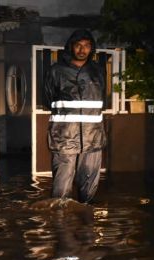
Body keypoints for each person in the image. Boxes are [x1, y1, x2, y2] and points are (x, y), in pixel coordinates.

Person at [44, 29, 107, 203]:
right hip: (64, 137)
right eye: (78, 45)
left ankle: (86, 225)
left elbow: (103, 100)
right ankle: (60, 225)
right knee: (61, 192)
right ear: (71, 47)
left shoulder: (98, 71)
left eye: (87, 46)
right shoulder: (56, 70)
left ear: (91, 48)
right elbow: (48, 100)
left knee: (88, 195)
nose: (82, 49)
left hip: (92, 138)